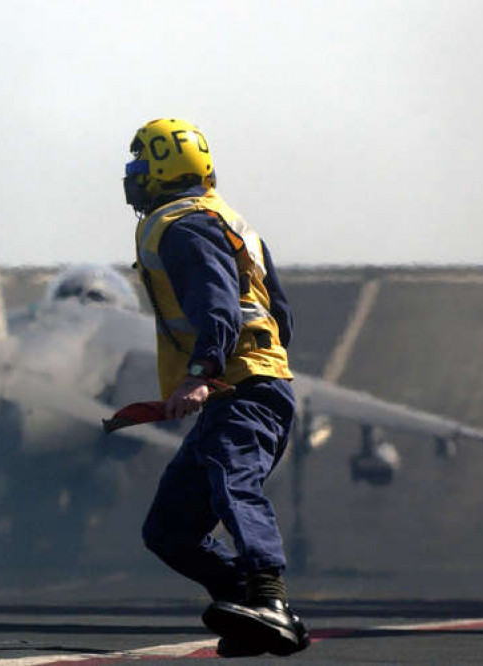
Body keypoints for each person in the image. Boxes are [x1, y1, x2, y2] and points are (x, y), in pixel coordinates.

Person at [124, 118, 310, 657]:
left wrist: (204, 373)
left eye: (139, 169)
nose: (132, 180)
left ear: (163, 171)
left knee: (234, 481)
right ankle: (247, 605)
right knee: (168, 530)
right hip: (247, 386)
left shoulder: (181, 226)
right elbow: (281, 315)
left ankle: (269, 599)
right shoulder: (231, 222)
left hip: (242, 388)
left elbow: (218, 306)